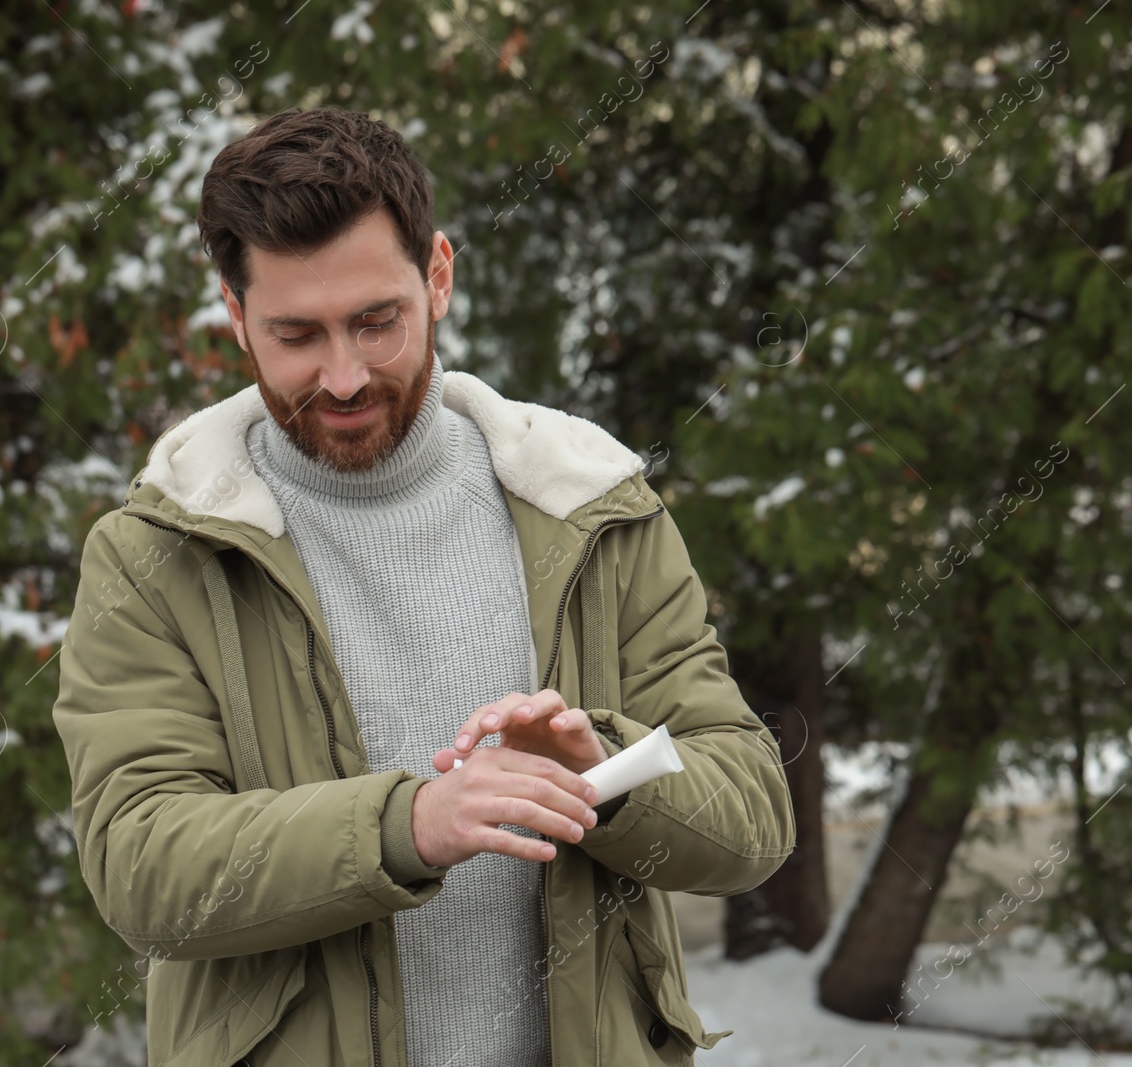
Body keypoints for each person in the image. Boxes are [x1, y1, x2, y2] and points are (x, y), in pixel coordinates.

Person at [51, 105, 795, 1067]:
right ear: (236, 317)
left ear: (437, 275)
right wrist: (408, 825)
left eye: (376, 321)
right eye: (296, 335)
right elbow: (141, 864)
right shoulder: (152, 554)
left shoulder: (594, 506)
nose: (346, 375)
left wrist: (602, 774)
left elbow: (751, 817)